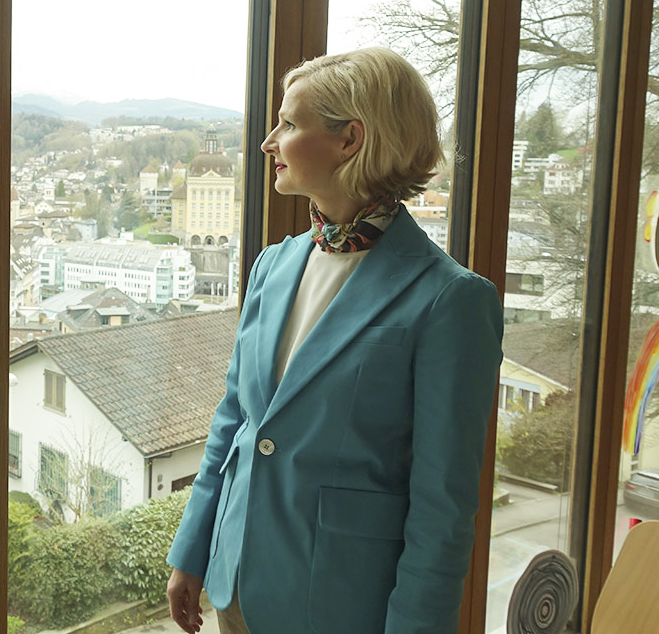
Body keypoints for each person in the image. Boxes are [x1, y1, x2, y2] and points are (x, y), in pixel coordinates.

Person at [165, 48, 503, 634]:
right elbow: (236, 422)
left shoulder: (450, 300)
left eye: (290, 124)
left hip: (344, 607)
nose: (269, 142)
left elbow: (441, 508)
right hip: (236, 585)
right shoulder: (273, 265)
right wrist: (192, 549)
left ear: (351, 140)